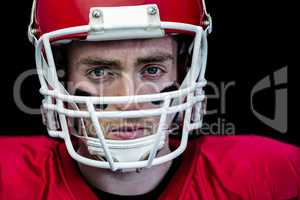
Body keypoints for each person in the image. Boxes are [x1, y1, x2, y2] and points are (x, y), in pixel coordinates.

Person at [0, 0, 299, 199]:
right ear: (60, 79)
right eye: (100, 71)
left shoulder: (270, 174)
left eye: (153, 69)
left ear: (183, 71)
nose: (128, 100)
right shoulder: (9, 178)